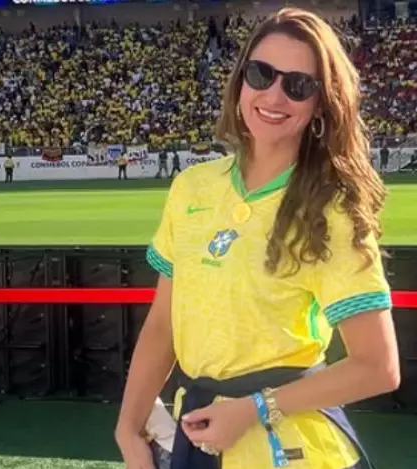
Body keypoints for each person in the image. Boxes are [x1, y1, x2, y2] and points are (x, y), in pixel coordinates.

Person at [115, 8, 400, 469]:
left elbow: (378, 367)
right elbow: (163, 324)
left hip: (292, 449)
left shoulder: (331, 209)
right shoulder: (191, 188)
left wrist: (254, 409)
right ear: (240, 80)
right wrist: (128, 429)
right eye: (261, 74)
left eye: (298, 85)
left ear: (321, 104)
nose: (273, 95)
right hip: (197, 437)